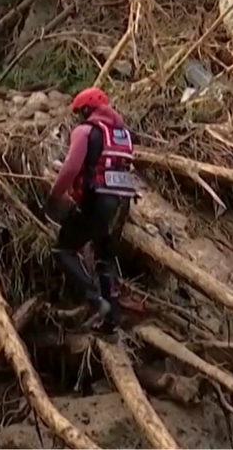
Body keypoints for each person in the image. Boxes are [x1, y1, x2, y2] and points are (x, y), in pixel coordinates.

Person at [46, 87, 136, 334]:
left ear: (87, 109)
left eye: (79, 112)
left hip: (98, 200)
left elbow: (70, 168)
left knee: (64, 248)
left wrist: (55, 196)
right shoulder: (122, 134)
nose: (78, 118)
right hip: (122, 204)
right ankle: (110, 321)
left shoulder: (85, 131)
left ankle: (95, 300)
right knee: (104, 256)